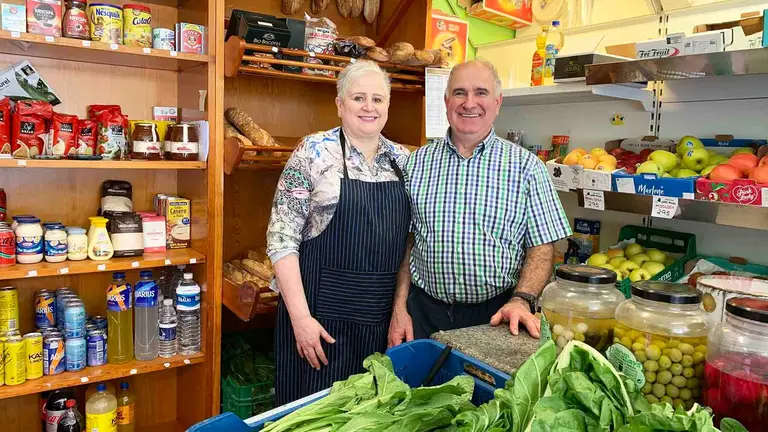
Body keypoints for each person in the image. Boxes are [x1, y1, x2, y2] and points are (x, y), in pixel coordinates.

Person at [388, 59, 572, 346]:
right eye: (459, 93)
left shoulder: (526, 167)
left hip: (497, 315)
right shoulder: (417, 163)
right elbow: (408, 242)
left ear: (497, 102)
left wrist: (522, 301)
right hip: (423, 314)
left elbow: (542, 247)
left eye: (481, 93)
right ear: (446, 101)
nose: (469, 103)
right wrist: (399, 309)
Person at [267, 61, 411, 405]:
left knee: (367, 418)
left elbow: (409, 243)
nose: (369, 107)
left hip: (378, 322)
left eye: (378, 99)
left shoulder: (404, 160)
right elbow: (281, 239)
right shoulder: (313, 152)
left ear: (388, 106)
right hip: (319, 323)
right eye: (358, 97)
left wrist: (399, 311)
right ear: (339, 104)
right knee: (312, 418)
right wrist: (301, 321)